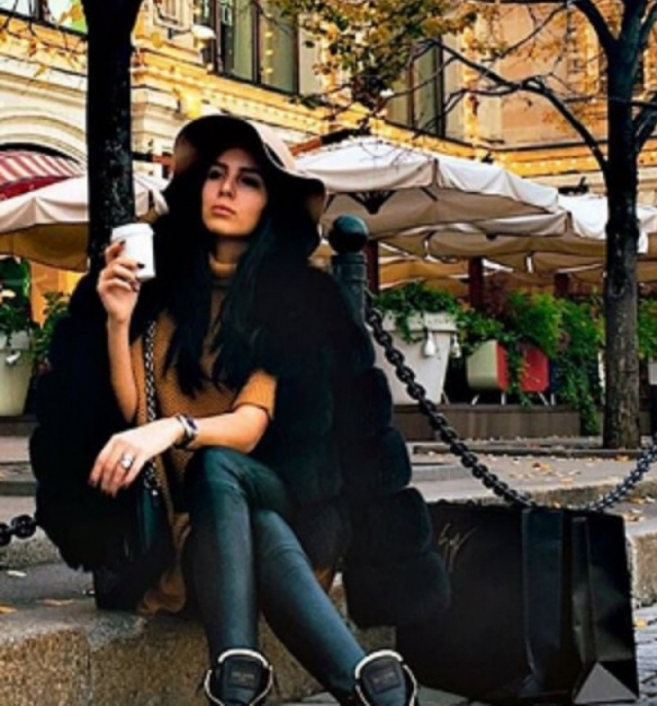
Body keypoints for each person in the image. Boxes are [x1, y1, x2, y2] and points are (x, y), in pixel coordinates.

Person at [29, 115, 447, 706]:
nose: (226, 190)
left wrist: (174, 429)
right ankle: (359, 685)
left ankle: (233, 675)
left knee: (219, 465)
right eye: (215, 174)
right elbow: (134, 410)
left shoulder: (288, 302)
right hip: (187, 540)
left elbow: (250, 426)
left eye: (248, 180)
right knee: (242, 510)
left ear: (270, 201)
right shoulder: (164, 290)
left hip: (273, 501)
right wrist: (118, 320)